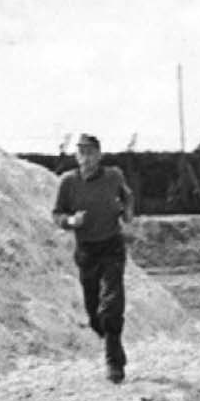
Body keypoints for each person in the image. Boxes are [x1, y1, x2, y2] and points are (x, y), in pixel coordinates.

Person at [52, 133, 135, 381]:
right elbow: (57, 213)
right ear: (76, 157)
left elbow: (127, 196)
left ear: (99, 155)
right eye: (81, 153)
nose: (86, 158)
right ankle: (110, 339)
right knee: (94, 312)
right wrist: (70, 221)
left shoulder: (113, 176)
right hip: (87, 251)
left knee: (111, 305)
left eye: (90, 153)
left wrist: (127, 213)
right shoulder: (68, 183)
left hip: (112, 246)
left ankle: (114, 364)